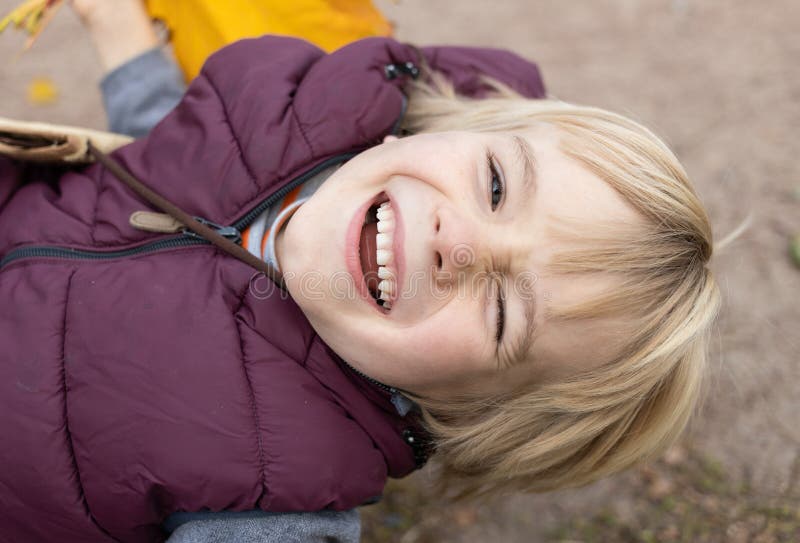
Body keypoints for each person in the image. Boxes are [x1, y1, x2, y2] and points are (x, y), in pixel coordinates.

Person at [0, 1, 721, 542]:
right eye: (497, 185)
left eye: (503, 309)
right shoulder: (277, 119)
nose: (459, 245)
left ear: (470, 408)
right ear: (452, 128)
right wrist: (121, 34)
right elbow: (163, 146)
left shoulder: (275, 502)